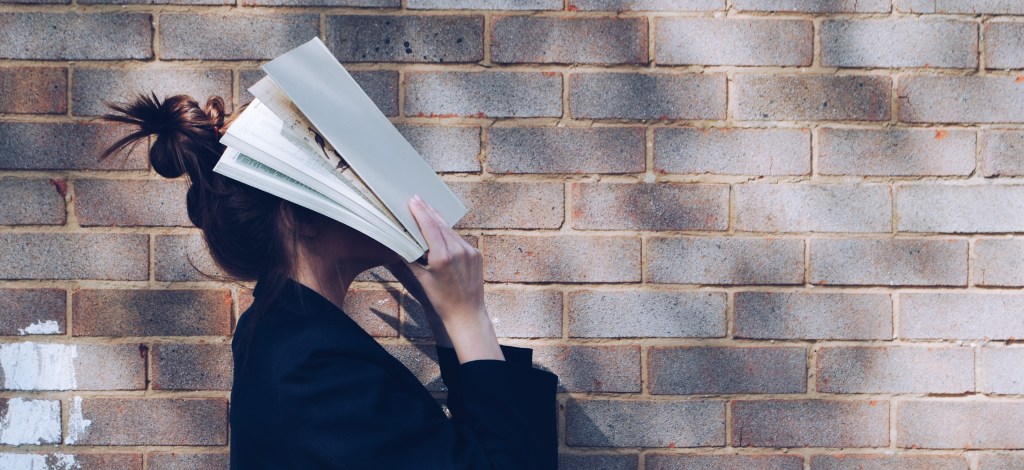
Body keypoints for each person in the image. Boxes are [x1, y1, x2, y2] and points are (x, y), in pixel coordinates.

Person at [100, 93, 559, 469]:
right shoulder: (311, 366)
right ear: (300, 217)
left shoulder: (289, 337)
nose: (378, 188)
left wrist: (444, 313)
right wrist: (468, 315)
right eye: (348, 175)